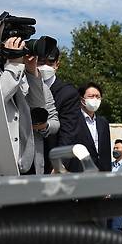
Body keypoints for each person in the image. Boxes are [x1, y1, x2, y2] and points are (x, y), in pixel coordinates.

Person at [0, 36, 46, 174]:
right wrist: (14, 65)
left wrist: (31, 71)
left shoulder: (14, 67)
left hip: (22, 164)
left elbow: (37, 104)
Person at [37, 45, 80, 173]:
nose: (45, 67)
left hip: (51, 161)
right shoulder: (24, 86)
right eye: (41, 62)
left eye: (50, 62)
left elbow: (68, 133)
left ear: (57, 65)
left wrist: (59, 165)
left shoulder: (68, 93)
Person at [60, 81, 111, 172]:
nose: (95, 99)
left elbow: (106, 151)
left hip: (101, 172)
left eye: (97, 97)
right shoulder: (72, 119)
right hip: (78, 171)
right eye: (91, 96)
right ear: (82, 100)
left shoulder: (103, 122)